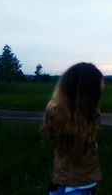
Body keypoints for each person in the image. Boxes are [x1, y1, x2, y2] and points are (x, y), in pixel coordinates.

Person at [42, 62, 104, 195]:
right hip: (70, 188)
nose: (103, 85)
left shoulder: (87, 114)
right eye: (100, 81)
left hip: (84, 184)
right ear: (88, 88)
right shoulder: (61, 116)